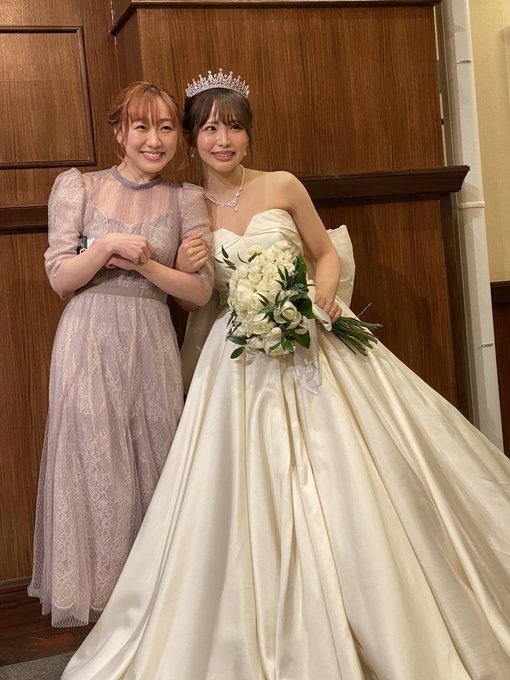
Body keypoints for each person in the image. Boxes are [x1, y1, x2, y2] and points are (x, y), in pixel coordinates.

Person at [62, 71, 510, 679]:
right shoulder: (187, 204)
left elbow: (324, 254)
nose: (224, 140)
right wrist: (187, 264)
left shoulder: (281, 184)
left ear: (249, 133)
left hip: (313, 337)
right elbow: (196, 291)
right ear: (192, 138)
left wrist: (321, 297)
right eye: (210, 128)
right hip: (238, 358)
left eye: (235, 128)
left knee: (357, 470)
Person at [28, 81, 213, 628]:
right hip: (87, 338)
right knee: (94, 463)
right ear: (119, 133)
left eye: (165, 128)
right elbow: (61, 277)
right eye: (141, 127)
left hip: (152, 338)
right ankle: (105, 612)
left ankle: (153, 605)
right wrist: (107, 245)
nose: (154, 140)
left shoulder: (186, 199)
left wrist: (149, 265)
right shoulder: (79, 188)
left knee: (156, 460)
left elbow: (198, 293)